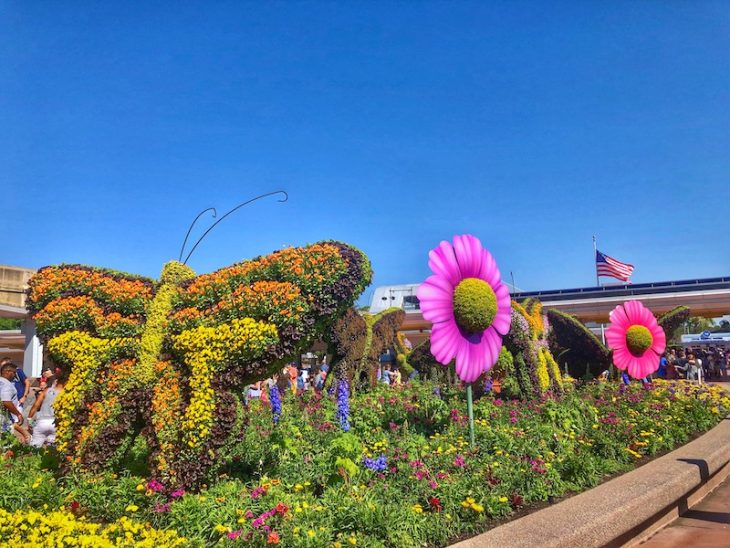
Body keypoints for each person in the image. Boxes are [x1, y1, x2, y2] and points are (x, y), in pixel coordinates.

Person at [29, 375, 64, 448]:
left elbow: (36, 405)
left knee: (34, 447)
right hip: (56, 423)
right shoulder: (64, 393)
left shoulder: (46, 391)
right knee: (52, 450)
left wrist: (29, 419)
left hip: (42, 421)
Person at [0, 362, 30, 443]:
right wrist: (18, 414)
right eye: (14, 373)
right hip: (4, 420)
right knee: (5, 446)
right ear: (8, 372)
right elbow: (6, 401)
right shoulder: (7, 385)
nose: (14, 375)